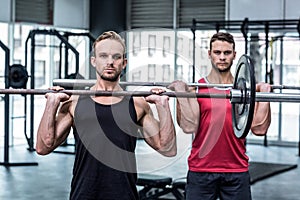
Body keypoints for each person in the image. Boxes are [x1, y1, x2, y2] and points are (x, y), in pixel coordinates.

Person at [36, 31, 177, 200]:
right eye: (103, 56)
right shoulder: (74, 101)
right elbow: (43, 147)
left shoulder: (137, 103)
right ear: (93, 61)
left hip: (124, 195)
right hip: (84, 194)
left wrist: (163, 106)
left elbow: (168, 149)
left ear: (123, 63)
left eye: (116, 57)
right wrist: (52, 104)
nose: (110, 62)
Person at [168, 32, 271, 200]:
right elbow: (189, 127)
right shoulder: (198, 89)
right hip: (201, 169)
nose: (222, 57)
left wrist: (265, 94)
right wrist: (181, 93)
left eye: (227, 53)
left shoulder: (245, 91)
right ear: (209, 54)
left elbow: (260, 129)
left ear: (234, 55)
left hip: (236, 170)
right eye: (217, 52)